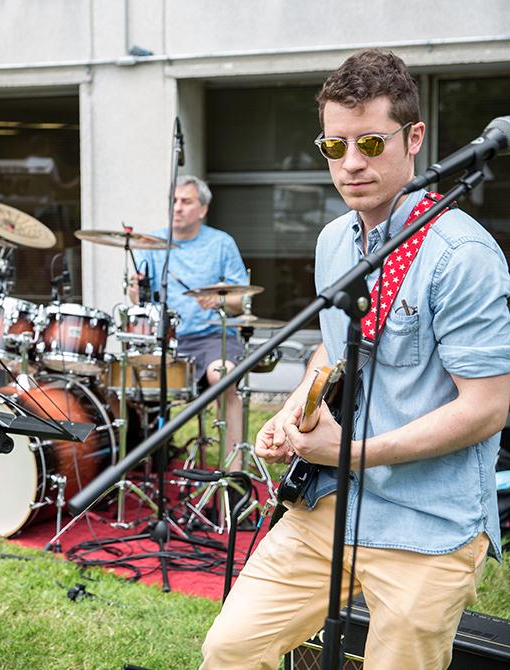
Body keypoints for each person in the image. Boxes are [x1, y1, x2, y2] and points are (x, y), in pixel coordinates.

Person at [201, 49, 510, 669]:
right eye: (334, 146)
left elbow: (487, 408)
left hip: (428, 527)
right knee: (229, 649)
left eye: (370, 142)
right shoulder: (335, 240)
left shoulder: (462, 255)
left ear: (414, 138)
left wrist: (349, 450)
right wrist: (295, 409)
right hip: (329, 506)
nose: (351, 163)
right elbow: (335, 346)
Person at [129, 175, 247, 452]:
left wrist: (219, 299)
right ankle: (147, 457)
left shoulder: (221, 243)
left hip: (212, 336)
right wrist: (136, 291)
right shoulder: (151, 244)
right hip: (164, 339)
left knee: (223, 376)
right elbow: (139, 301)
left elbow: (241, 302)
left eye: (186, 201)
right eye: (173, 201)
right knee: (126, 378)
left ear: (203, 209)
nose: (177, 207)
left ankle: (232, 465)